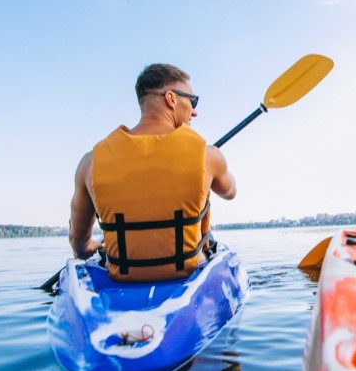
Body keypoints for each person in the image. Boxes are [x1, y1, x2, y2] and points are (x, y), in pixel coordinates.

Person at [69, 63, 237, 282]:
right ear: (171, 98)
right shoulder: (208, 156)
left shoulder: (90, 162)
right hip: (189, 276)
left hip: (120, 280)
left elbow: (78, 240)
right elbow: (230, 191)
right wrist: (212, 160)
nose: (195, 111)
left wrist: (86, 248)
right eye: (192, 101)